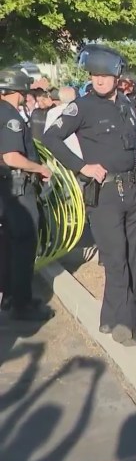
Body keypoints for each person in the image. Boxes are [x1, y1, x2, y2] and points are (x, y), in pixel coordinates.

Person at [42, 44, 136, 346]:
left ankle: (112, 318)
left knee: (130, 257)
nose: (98, 80)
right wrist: (81, 166)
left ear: (116, 76)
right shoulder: (82, 107)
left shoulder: (125, 105)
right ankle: (126, 325)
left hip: (133, 191)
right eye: (94, 75)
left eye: (104, 75)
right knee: (115, 259)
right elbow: (50, 137)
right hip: (105, 194)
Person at [0, 67, 55, 320]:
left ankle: (11, 297)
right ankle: (21, 304)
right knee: (24, 244)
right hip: (18, 189)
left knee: (10, 244)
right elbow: (11, 157)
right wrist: (39, 168)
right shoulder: (10, 115)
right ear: (18, 89)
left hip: (6, 189)